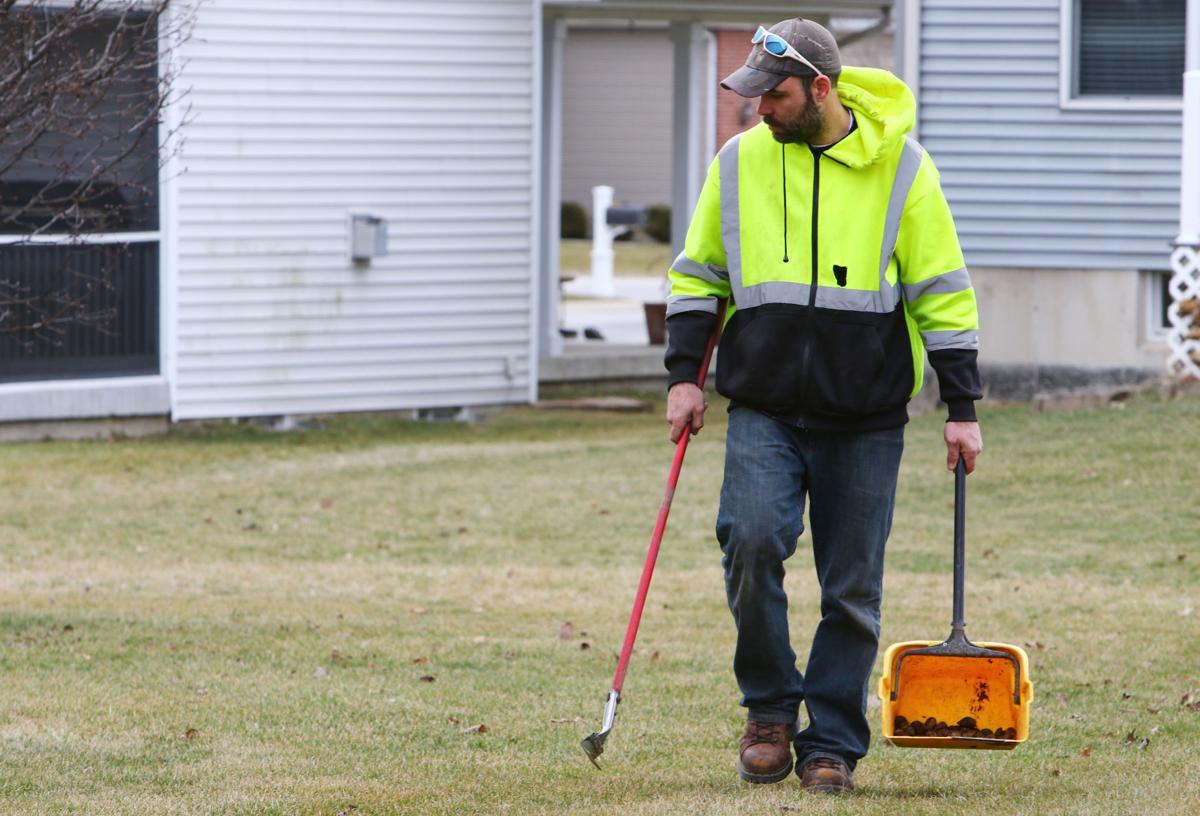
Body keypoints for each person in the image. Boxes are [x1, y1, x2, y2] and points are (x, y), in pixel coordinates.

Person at [663, 18, 983, 794]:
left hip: (866, 416)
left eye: (773, 95)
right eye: (752, 96)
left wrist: (962, 404)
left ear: (821, 89)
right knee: (750, 542)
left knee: (851, 589)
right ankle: (769, 710)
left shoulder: (903, 170)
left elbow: (942, 288)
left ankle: (832, 740)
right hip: (765, 406)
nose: (758, 109)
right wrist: (682, 374)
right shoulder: (737, 163)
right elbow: (700, 271)